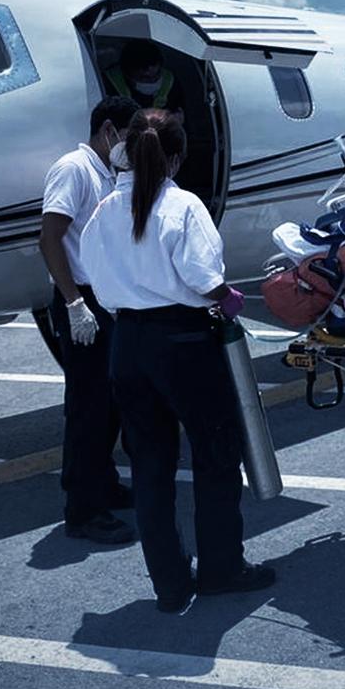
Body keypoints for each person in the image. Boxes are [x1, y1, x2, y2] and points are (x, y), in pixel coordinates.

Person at [80, 108, 275, 612]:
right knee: (214, 455)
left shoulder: (105, 210)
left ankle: (169, 583)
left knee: (150, 464)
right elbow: (201, 276)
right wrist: (225, 296)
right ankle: (222, 568)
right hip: (184, 343)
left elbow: (95, 278)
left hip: (127, 343)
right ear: (176, 156)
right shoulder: (183, 205)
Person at [40, 95, 141, 543]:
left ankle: (101, 484)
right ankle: (83, 510)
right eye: (130, 136)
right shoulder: (74, 169)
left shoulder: (109, 174)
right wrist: (73, 302)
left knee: (110, 402)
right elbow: (50, 238)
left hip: (105, 299)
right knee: (88, 407)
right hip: (80, 300)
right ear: (108, 131)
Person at [105, 39, 180, 113]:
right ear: (127, 74)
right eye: (145, 78)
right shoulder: (106, 85)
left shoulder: (170, 82)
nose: (152, 81)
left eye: (156, 76)